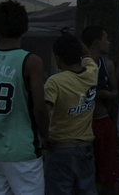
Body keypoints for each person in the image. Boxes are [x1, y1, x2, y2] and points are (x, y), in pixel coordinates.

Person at [0, 0, 50, 195]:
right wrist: (47, 135)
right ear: (25, 28)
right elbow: (40, 107)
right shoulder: (31, 60)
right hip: (21, 147)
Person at [43, 33, 98, 194]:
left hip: (60, 149)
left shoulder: (55, 81)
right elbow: (87, 53)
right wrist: (71, 37)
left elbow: (44, 111)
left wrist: (44, 136)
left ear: (58, 58)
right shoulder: (92, 71)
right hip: (85, 149)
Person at [81, 25, 119, 195]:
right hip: (82, 124)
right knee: (85, 171)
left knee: (108, 171)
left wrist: (103, 94)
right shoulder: (79, 64)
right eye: (106, 39)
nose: (109, 42)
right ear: (97, 42)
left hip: (102, 121)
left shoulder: (108, 64)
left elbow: (116, 92)